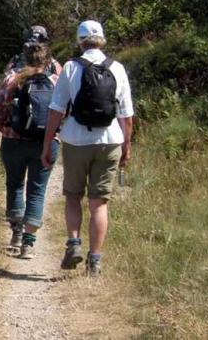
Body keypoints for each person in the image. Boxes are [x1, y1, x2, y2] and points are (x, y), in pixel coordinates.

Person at [40, 20, 133, 277]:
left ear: (80, 41)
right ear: (102, 39)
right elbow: (127, 115)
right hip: (110, 140)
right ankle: (95, 261)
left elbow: (56, 110)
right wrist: (127, 146)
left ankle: (73, 244)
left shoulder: (70, 67)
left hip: (75, 140)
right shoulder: (118, 68)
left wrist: (47, 143)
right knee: (98, 204)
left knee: (72, 196)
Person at [0, 41, 61, 259]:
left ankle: (16, 234)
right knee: (37, 191)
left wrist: (6, 129)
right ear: (48, 62)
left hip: (13, 142)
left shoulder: (12, 80)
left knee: (15, 185)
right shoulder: (56, 82)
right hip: (45, 143)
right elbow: (65, 114)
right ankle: (28, 244)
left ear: (25, 59)